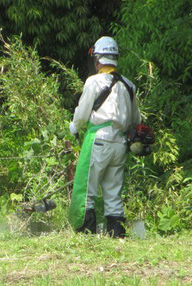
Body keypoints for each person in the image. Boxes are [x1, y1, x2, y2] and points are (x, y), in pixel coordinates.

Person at [68, 36, 141, 238]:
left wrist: (74, 127)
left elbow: (82, 113)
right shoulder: (129, 85)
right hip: (121, 143)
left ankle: (87, 233)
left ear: (98, 59)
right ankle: (116, 234)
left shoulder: (94, 82)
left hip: (99, 139)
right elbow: (137, 119)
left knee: (88, 189)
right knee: (113, 191)